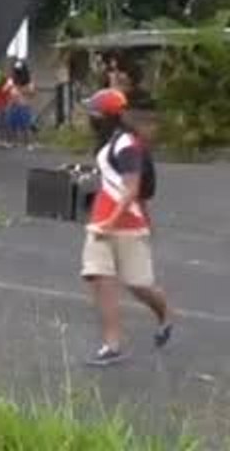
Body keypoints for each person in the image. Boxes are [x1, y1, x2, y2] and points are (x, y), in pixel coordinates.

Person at [80, 88, 172, 366]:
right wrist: (103, 220)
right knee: (99, 277)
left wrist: (113, 221)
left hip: (127, 224)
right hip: (100, 223)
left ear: (105, 116)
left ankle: (165, 313)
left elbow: (132, 189)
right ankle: (112, 345)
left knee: (138, 284)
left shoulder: (127, 145)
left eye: (94, 112)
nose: (90, 117)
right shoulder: (107, 143)